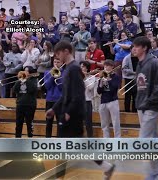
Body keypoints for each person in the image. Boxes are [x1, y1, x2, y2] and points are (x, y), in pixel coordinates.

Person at [46, 41, 115, 179]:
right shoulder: (68, 69)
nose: (57, 57)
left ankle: (58, 177)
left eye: (59, 53)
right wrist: (54, 109)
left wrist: (68, 112)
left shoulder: (74, 69)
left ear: (66, 51)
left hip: (73, 115)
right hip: (69, 112)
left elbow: (78, 94)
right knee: (77, 145)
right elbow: (66, 94)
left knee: (63, 147)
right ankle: (107, 167)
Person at [133, 36, 158, 180]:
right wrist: (140, 103)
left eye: (137, 46)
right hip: (143, 106)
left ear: (144, 48)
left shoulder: (153, 62)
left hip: (152, 106)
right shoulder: (139, 64)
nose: (134, 49)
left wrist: (149, 102)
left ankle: (152, 173)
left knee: (143, 140)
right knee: (153, 140)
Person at [97, 60, 121, 138]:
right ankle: (106, 140)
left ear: (112, 67)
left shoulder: (116, 77)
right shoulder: (102, 77)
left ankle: (117, 140)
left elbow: (114, 88)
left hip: (113, 101)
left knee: (115, 123)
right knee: (104, 124)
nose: (105, 68)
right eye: (104, 66)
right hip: (103, 101)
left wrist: (108, 80)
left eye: (107, 66)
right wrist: (101, 84)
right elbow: (98, 91)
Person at [13, 66, 38, 137]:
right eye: (24, 70)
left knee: (29, 123)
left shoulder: (33, 80)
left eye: (27, 71)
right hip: (20, 104)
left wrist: (26, 80)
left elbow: (32, 90)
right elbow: (15, 90)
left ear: (30, 72)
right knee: (18, 123)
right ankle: (17, 139)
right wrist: (19, 81)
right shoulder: (20, 80)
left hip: (30, 104)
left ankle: (30, 137)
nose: (25, 72)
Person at [44, 57, 64, 138]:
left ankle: (59, 141)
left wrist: (58, 77)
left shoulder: (64, 72)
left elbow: (62, 87)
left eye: (58, 62)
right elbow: (47, 86)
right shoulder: (47, 72)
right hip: (49, 100)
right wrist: (53, 76)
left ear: (61, 63)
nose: (56, 63)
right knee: (48, 123)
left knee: (60, 122)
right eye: (54, 62)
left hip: (59, 100)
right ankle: (48, 140)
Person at [122, 46, 138, 112]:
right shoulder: (126, 58)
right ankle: (127, 111)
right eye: (133, 49)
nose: (135, 51)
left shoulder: (139, 57)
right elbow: (124, 69)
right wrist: (133, 72)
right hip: (128, 78)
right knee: (128, 95)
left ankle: (135, 110)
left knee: (136, 95)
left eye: (136, 49)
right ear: (130, 50)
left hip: (136, 79)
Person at [80, 61, 94, 137]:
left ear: (87, 68)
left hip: (87, 101)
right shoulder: (77, 76)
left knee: (88, 122)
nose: (81, 68)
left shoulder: (92, 77)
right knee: (78, 123)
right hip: (78, 101)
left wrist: (85, 77)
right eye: (80, 66)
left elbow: (90, 87)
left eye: (83, 66)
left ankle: (90, 139)